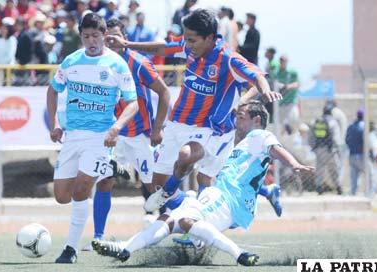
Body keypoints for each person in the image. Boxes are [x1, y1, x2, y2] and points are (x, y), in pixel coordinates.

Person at [92, 100, 314, 266]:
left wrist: (293, 163)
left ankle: (239, 254)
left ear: (257, 120)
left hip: (228, 198)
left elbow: (277, 149)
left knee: (185, 218)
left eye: (242, 116)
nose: (237, 120)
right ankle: (126, 249)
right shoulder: (241, 144)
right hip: (226, 200)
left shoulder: (259, 135)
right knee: (170, 220)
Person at [106, 9, 282, 213]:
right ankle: (190, 209)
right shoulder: (190, 46)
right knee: (156, 184)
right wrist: (128, 44)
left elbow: (258, 77)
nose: (187, 45)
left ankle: (195, 219)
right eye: (186, 40)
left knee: (193, 162)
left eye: (192, 40)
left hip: (208, 128)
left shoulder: (228, 59)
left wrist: (264, 91)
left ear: (209, 38)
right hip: (177, 123)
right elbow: (163, 48)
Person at [46, 13, 138, 264]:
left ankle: (70, 249)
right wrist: (55, 122)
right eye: (86, 36)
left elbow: (133, 104)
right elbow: (52, 91)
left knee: (81, 190)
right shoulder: (71, 61)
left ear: (104, 36)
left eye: (96, 36)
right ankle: (109, 167)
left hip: (100, 137)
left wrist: (116, 127)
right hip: (73, 136)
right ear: (81, 37)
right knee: (62, 195)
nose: (91, 41)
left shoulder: (117, 64)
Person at [83, 17, 171, 251]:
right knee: (104, 180)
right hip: (115, 137)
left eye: (115, 37)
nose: (111, 41)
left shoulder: (139, 63)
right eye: (107, 37)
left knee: (156, 188)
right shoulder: (99, 63)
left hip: (141, 136)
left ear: (125, 39)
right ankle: (98, 237)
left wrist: (157, 128)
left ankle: (181, 225)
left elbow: (164, 93)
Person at [310, 104, 342, 195]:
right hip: (330, 150)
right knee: (334, 170)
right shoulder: (333, 122)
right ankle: (338, 187)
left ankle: (319, 187)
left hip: (319, 150)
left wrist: (314, 148)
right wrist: (337, 149)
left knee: (320, 169)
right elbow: (336, 138)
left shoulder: (316, 121)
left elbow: (311, 137)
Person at [345, 109, 373, 196]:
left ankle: (353, 193)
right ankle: (369, 193)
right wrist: (370, 153)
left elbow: (346, 140)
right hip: (362, 155)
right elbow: (367, 142)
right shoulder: (364, 126)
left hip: (352, 154)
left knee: (354, 176)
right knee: (370, 173)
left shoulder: (351, 126)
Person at [276, 55, 300, 134]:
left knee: (294, 120)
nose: (283, 62)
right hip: (280, 103)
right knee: (280, 126)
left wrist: (288, 87)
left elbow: (298, 83)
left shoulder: (292, 72)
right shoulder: (277, 73)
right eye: (281, 60)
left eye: (284, 60)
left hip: (291, 102)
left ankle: (291, 137)